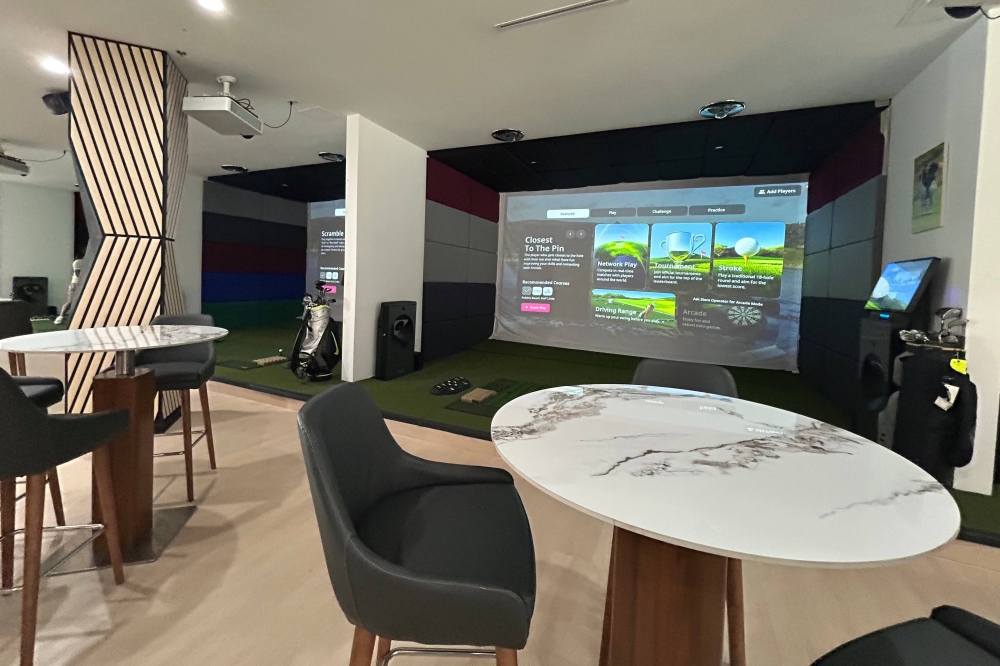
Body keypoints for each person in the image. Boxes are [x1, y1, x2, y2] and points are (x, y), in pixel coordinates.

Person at [54, 259, 82, 325]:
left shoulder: (88, 261)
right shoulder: (77, 262)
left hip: (84, 284)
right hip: (75, 284)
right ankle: (60, 317)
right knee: (71, 302)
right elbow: (78, 273)